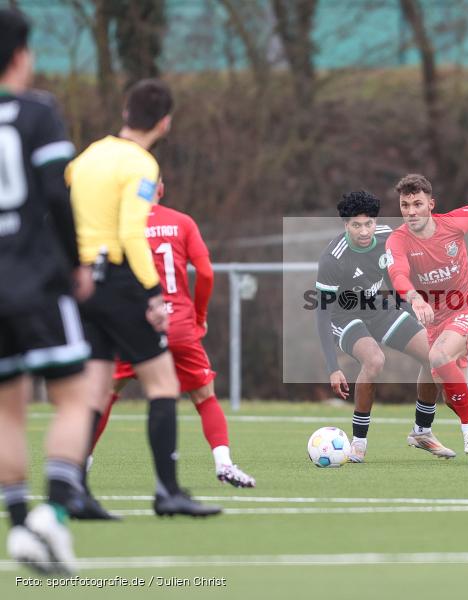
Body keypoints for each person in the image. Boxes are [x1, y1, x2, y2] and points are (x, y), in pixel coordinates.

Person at [67, 79, 220, 516]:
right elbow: (133, 231)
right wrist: (152, 293)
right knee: (163, 385)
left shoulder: (86, 158)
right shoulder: (140, 163)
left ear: (124, 112)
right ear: (164, 123)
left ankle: (77, 491)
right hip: (120, 281)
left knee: (96, 390)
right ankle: (168, 492)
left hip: (83, 282)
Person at [0, 8, 93, 573]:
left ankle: (17, 527)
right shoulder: (36, 112)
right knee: (73, 396)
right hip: (36, 277)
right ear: (19, 55)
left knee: (6, 410)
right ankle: (52, 517)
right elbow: (58, 194)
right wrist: (76, 262)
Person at [88, 178, 255, 488]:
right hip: (177, 324)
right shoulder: (182, 222)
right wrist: (199, 317)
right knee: (204, 397)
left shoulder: (119, 226)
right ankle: (224, 463)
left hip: (135, 325)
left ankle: (79, 465)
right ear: (161, 188)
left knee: (106, 393)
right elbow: (205, 273)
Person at [315, 190, 455, 462]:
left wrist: (412, 311)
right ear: (346, 225)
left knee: (434, 355)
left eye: (369, 223)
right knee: (374, 360)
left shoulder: (387, 237)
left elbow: (395, 279)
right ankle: (358, 443)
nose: (364, 231)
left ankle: (422, 432)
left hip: (377, 308)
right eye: (356, 225)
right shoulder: (333, 258)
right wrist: (333, 368)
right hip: (343, 317)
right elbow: (322, 313)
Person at [385, 174, 468, 465]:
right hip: (436, 320)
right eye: (405, 205)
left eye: (417, 204)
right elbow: (398, 274)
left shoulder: (452, 224)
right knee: (453, 395)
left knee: (439, 356)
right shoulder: (397, 240)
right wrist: (415, 298)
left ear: (431, 204)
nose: (411, 211)